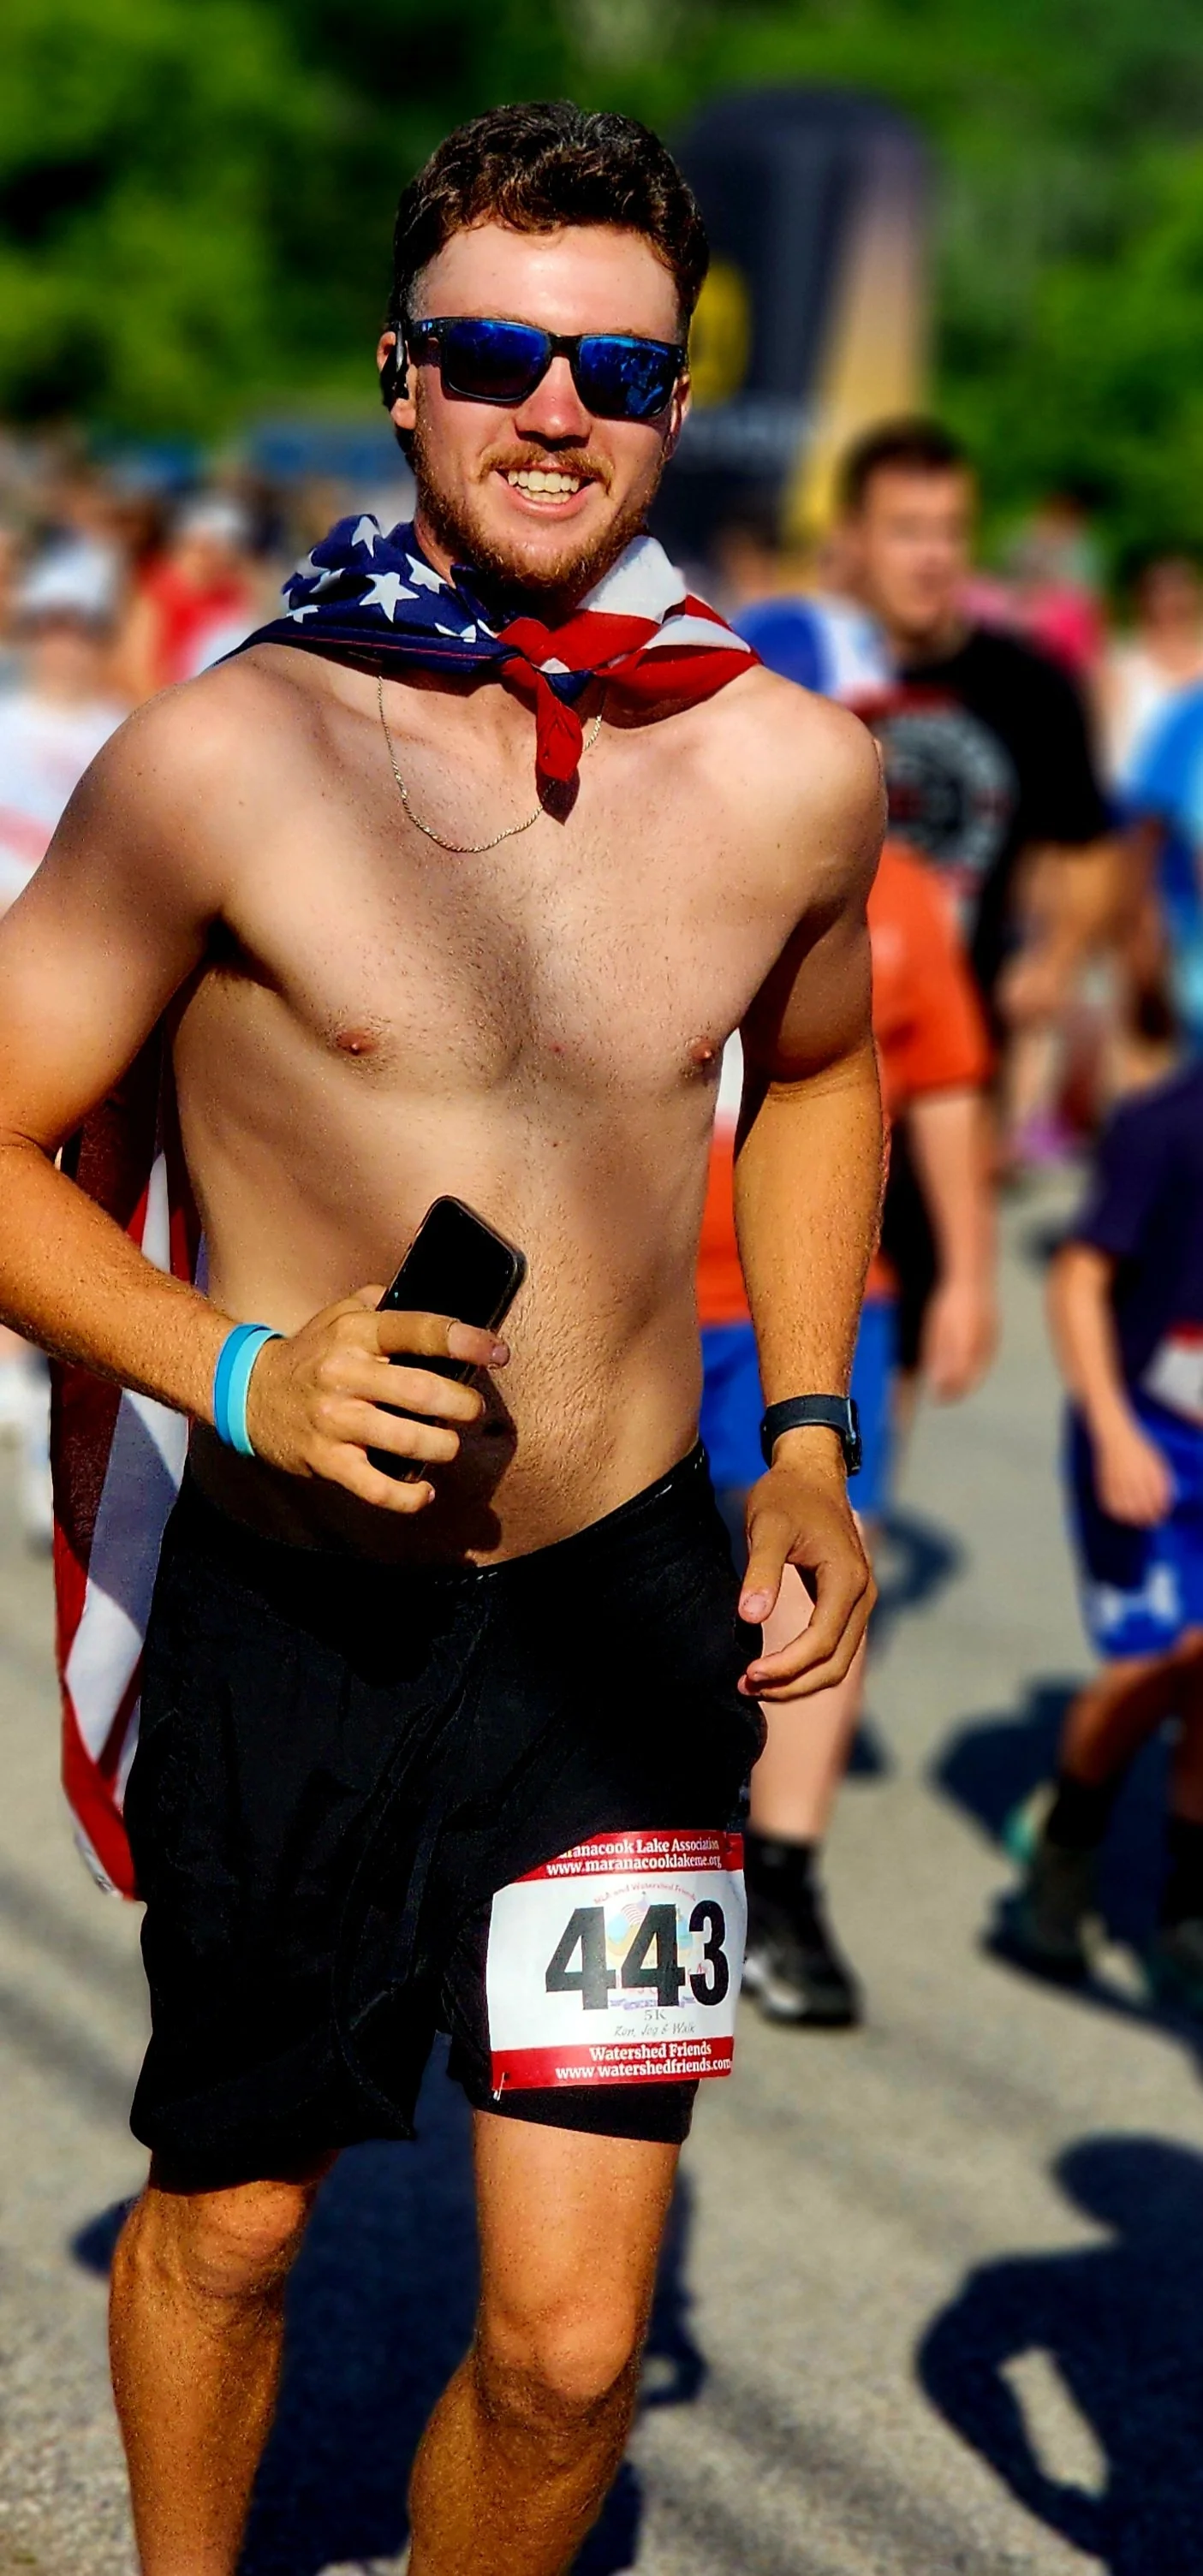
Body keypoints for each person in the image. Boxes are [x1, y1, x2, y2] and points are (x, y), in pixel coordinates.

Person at [0, 104, 884, 2576]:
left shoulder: (787, 771)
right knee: (243, 2225)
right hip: (302, 1600)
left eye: (615, 365)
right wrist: (235, 1366)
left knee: (574, 2353)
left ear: (681, 407)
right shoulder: (229, 759)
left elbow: (816, 1073)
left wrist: (802, 1431)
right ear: (398, 377)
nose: (553, 408)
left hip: (615, 1613)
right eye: (495, 350)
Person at [700, 840, 994, 2022]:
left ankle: (780, 1880)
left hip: (817, 1292)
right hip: (614, 1288)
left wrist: (967, 1269)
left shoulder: (899, 889)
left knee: (819, 1565)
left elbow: (950, 1078)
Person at [1003, 1042, 1203, 2016]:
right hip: (1147, 1437)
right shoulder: (1164, 1122)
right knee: (1155, 1662)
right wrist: (1117, 1430)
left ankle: (1187, 1898)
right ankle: (1063, 1852)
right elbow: (1078, 1279)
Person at [0, 540, 126, 1540]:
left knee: (70, 1198)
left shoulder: (118, 735)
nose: (64, 646)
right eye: (50, 624)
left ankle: (48, 1408)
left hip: (83, 1007)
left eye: (81, 627)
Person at [117, 493, 262, 699]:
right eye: (204, 548)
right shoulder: (157, 595)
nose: (211, 559)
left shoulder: (232, 594)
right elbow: (136, 673)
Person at [1099, 549, 1203, 790]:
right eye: (1162, 591)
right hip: (1138, 804)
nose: (1172, 600)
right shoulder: (1120, 664)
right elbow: (1107, 752)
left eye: (1181, 589)